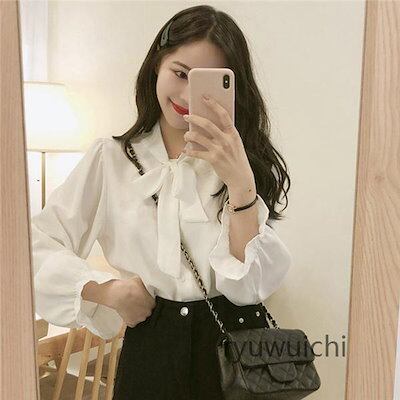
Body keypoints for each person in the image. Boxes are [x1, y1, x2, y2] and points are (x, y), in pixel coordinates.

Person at [31, 5, 292, 400]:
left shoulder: (242, 161)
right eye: (180, 73)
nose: (187, 96)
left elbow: (249, 287)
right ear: (157, 65)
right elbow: (34, 246)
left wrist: (240, 183)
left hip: (234, 350)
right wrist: (105, 290)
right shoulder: (110, 159)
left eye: (204, 83)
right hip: (151, 348)